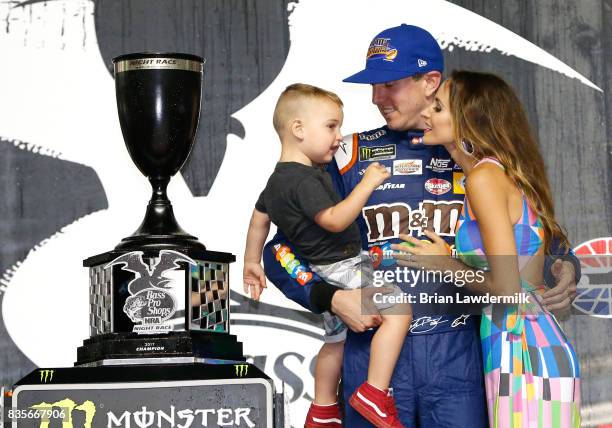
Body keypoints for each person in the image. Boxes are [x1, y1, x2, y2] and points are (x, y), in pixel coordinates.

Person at [262, 24, 580, 427]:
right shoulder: (345, 155)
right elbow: (279, 250)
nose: (377, 97)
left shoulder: (478, 158)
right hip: (375, 361)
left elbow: (535, 237)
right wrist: (328, 297)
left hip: (463, 357)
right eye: (372, 87)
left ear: (431, 82)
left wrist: (564, 266)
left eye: (389, 84)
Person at [397, 70, 580, 427]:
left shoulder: (484, 178)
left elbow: (508, 289)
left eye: (438, 107)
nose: (426, 115)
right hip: (516, 338)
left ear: (469, 119)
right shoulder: (492, 175)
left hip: (523, 346)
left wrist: (444, 264)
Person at [243, 83, 412, 428]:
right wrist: (367, 184)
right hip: (344, 267)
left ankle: (322, 408)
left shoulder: (276, 180)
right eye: (331, 126)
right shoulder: (305, 180)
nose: (338, 136)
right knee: (399, 310)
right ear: (298, 129)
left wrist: (251, 261)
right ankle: (375, 393)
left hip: (322, 272)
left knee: (335, 342)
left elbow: (259, 219)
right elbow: (333, 220)